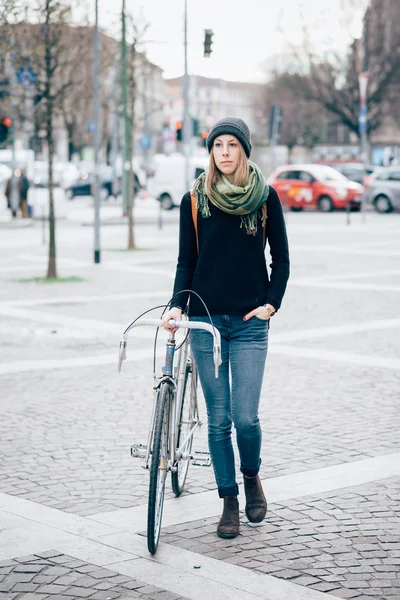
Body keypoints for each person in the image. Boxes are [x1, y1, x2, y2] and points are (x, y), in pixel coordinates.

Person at [162, 117, 290, 539]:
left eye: (233, 144)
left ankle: (251, 476)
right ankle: (229, 499)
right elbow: (186, 262)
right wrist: (176, 307)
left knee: (245, 417)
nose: (225, 152)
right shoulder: (194, 201)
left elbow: (282, 260)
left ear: (245, 150)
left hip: (251, 324)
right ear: (211, 152)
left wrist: (271, 303)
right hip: (206, 323)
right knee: (218, 420)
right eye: (218, 145)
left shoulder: (265, 198)